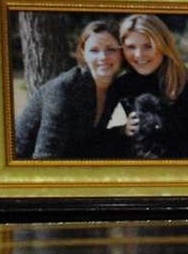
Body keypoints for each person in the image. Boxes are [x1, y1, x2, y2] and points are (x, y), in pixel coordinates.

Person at [115, 14, 188, 159]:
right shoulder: (120, 86)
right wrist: (120, 131)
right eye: (131, 47)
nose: (139, 55)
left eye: (148, 46)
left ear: (164, 46)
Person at [14, 20, 132, 160]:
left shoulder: (116, 88)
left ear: (121, 53)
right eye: (94, 50)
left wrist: (123, 130)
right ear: (83, 53)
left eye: (111, 49)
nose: (103, 57)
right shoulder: (63, 89)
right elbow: (45, 156)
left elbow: (94, 141)